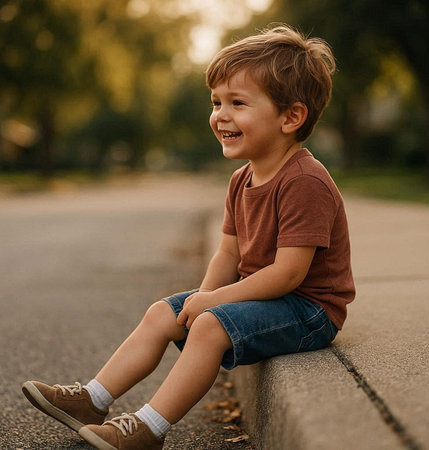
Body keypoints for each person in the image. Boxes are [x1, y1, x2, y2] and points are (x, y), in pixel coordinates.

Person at [22, 24, 355, 450]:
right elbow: (229, 253)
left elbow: (289, 274)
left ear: (291, 116)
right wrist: (202, 297)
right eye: (216, 102)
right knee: (163, 312)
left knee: (212, 324)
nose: (220, 115)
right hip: (267, 297)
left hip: (309, 310)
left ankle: (148, 429)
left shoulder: (304, 180)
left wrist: (212, 304)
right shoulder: (242, 180)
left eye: (238, 103)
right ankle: (92, 399)